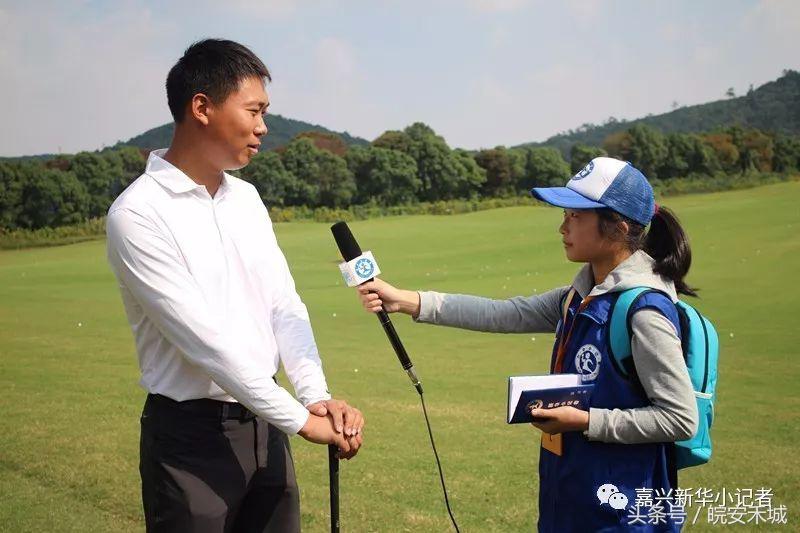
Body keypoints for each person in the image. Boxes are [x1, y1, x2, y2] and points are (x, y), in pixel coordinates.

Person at [356, 157, 699, 532]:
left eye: (575, 216)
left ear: (618, 227)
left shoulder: (644, 311)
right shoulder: (578, 296)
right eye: (565, 215)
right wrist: (405, 300)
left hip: (623, 517)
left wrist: (586, 421)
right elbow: (503, 313)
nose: (562, 227)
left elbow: (680, 418)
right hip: (571, 501)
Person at [106, 39, 364, 533]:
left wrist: (315, 395)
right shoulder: (137, 214)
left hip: (267, 428)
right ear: (202, 107)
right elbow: (207, 345)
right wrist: (303, 421)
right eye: (254, 110)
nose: (264, 126)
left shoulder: (245, 198)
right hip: (191, 442)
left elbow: (283, 304)